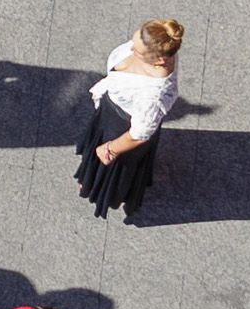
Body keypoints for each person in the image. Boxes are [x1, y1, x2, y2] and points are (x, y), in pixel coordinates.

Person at [76, 18, 182, 221]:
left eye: (138, 51)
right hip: (112, 113)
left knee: (112, 165)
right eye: (134, 42)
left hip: (121, 127)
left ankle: (98, 186)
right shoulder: (156, 47)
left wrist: (110, 149)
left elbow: (139, 134)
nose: (132, 48)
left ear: (159, 60)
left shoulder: (152, 96)